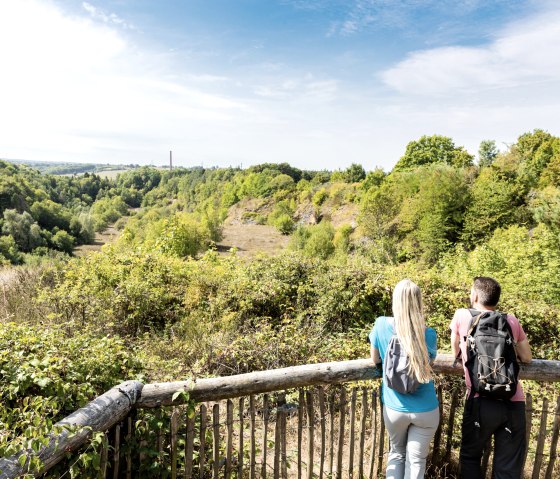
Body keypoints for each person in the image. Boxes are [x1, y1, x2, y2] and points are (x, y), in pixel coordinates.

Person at [451, 276, 532, 479]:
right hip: (512, 401)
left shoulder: (462, 316)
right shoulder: (510, 320)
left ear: (475, 295)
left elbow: (455, 351)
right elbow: (527, 357)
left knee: (470, 458)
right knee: (508, 466)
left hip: (480, 400)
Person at [369, 279, 439, 479]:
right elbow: (429, 364)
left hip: (394, 408)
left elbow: (375, 359)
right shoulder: (428, 333)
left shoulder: (381, 324)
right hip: (426, 409)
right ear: (418, 302)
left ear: (395, 300)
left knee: (397, 454)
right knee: (416, 461)